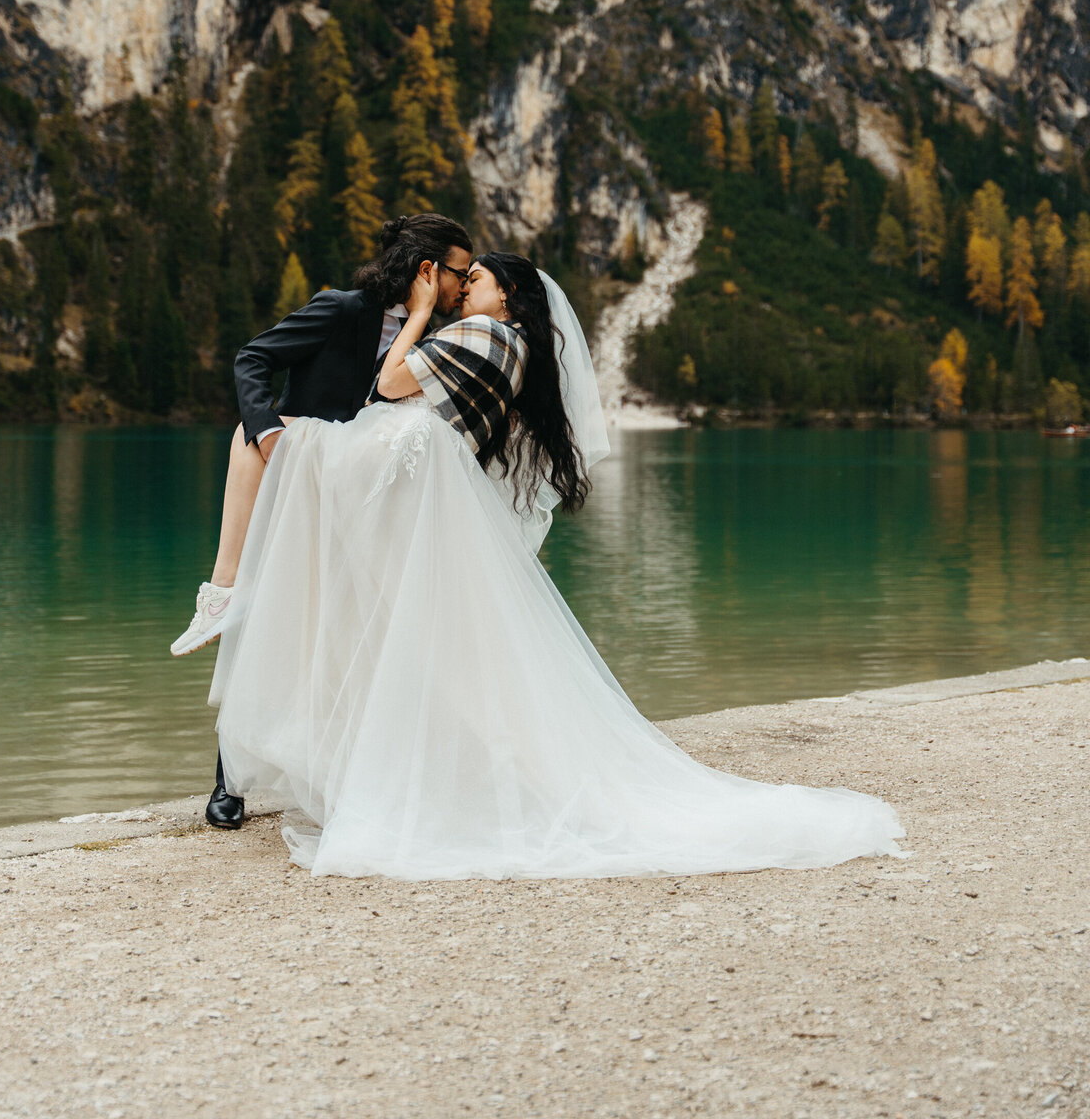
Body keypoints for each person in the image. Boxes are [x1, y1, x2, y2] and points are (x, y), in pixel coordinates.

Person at [209, 252, 905, 879]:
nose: (460, 290)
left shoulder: (486, 334)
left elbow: (391, 383)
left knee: (261, 440)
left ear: (508, 295)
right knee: (395, 632)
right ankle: (241, 622)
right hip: (400, 484)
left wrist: (419, 314)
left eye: (473, 280)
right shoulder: (507, 344)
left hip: (390, 475)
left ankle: (225, 591)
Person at [171, 212, 473, 829]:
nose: (462, 287)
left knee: (343, 623)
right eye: (458, 274)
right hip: (298, 478)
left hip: (361, 495)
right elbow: (252, 358)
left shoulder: (434, 337)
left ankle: (345, 768)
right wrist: (265, 430)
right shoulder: (341, 309)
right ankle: (229, 777)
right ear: (425, 270)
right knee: (260, 610)